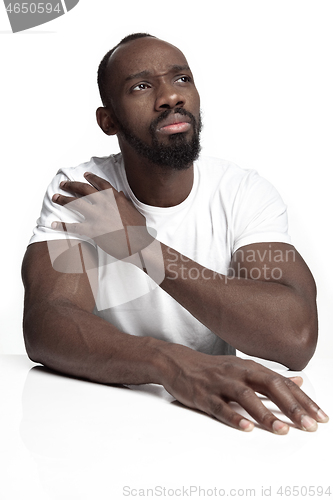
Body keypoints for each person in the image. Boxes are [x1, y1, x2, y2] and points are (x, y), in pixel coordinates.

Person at [22, 33, 329, 435]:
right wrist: (169, 365)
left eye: (181, 79)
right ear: (107, 120)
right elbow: (48, 322)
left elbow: (295, 337)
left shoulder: (241, 193)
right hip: (98, 417)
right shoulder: (84, 190)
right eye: (142, 86)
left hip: (211, 423)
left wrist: (142, 248)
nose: (170, 97)